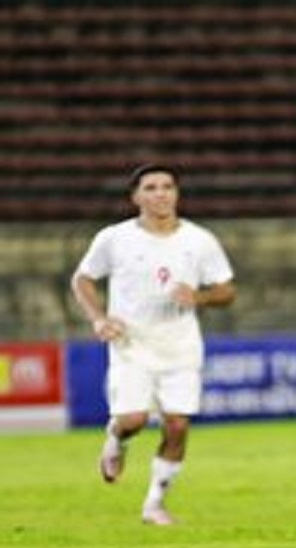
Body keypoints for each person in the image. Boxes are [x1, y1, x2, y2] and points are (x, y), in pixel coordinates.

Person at [70, 163, 236, 525]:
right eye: (151, 187)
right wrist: (99, 318)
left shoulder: (199, 240)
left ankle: (154, 503)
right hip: (132, 344)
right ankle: (116, 439)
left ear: (177, 193)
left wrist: (201, 297)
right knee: (133, 419)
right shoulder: (114, 238)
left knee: (177, 426)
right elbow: (82, 279)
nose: (160, 193)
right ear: (135, 197)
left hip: (180, 345)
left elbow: (227, 289)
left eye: (167, 186)